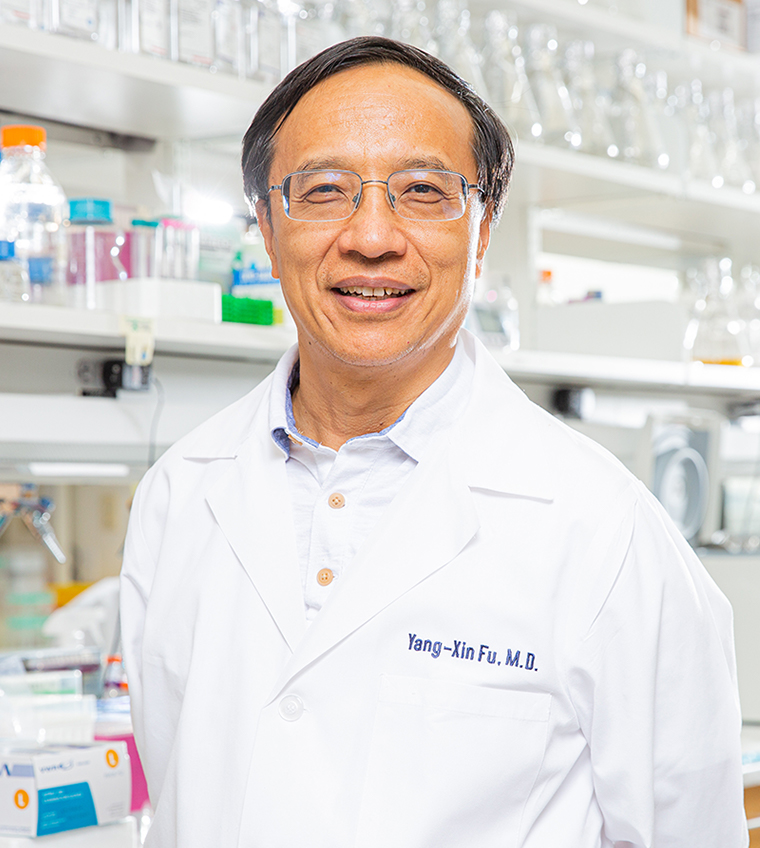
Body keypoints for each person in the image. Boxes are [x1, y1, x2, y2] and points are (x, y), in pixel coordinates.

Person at [120, 36, 748, 848]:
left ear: (482, 230)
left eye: (423, 190)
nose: (372, 236)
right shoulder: (179, 493)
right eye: (323, 191)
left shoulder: (605, 533)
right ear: (268, 231)